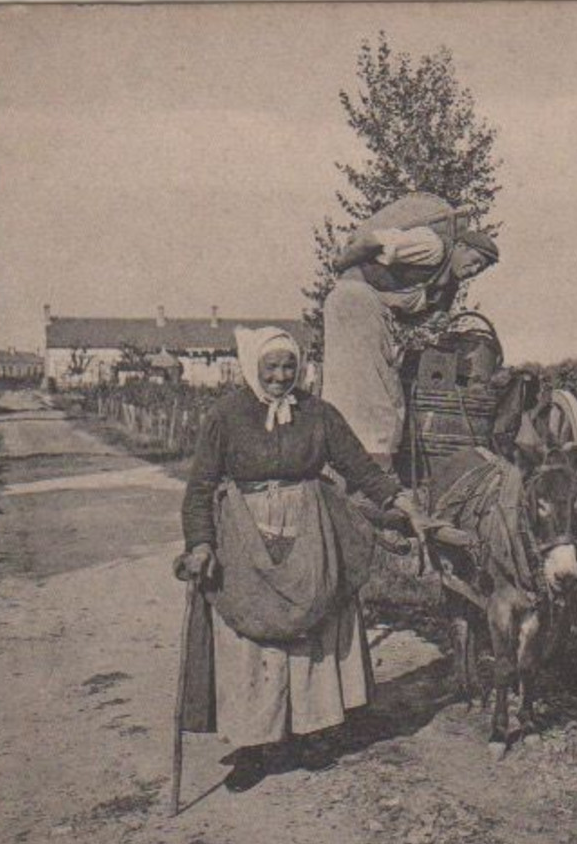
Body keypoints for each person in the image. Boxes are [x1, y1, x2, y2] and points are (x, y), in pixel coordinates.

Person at [179, 327, 427, 792]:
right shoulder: (225, 417)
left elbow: (358, 466)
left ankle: (313, 731)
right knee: (249, 635)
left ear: (300, 369)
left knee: (315, 627)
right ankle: (254, 747)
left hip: (310, 528)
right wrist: (200, 543)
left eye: (288, 367)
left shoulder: (318, 415)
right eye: (270, 368)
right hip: (244, 534)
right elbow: (199, 489)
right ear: (254, 367)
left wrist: (398, 498)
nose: (279, 377)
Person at [321, 192, 500, 467]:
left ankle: (368, 470)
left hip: (369, 312)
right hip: (354, 302)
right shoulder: (433, 247)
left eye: (481, 268)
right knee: (369, 398)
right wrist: (341, 264)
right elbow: (372, 241)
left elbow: (402, 305)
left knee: (386, 399)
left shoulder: (441, 284)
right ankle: (368, 474)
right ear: (461, 246)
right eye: (474, 260)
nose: (474, 269)